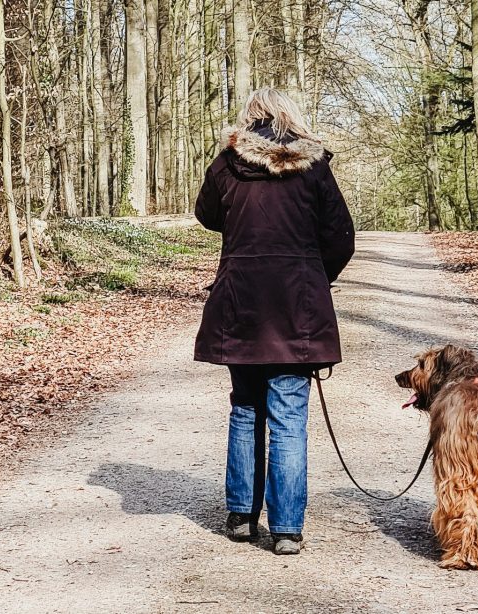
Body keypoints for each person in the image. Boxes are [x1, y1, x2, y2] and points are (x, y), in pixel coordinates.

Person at [193, 88, 355, 555]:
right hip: (297, 308)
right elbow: (341, 237)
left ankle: (241, 517)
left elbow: (206, 214)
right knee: (288, 417)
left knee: (246, 408)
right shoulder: (315, 166)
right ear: (292, 116)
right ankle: (286, 529)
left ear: (251, 117)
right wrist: (313, 276)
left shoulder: (228, 163)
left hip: (241, 303)